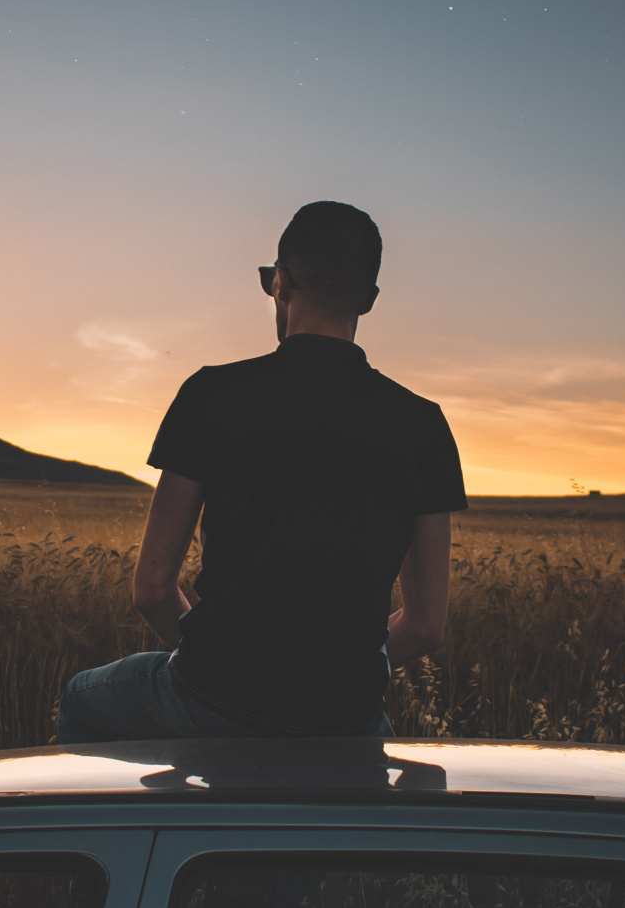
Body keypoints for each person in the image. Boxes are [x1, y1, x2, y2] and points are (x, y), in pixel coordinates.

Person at [55, 201, 467, 741]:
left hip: (212, 695)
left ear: (280, 283)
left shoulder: (209, 395)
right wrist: (329, 677)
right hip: (345, 713)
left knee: (81, 699)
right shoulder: (423, 425)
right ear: (368, 300)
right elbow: (424, 626)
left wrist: (231, 666)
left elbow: (152, 591)